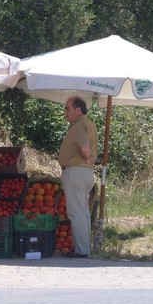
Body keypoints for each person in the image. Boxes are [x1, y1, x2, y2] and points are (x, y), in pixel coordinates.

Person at [58, 96, 98, 258]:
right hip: (85, 172)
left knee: (76, 213)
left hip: (76, 171)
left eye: (68, 108)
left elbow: (85, 149)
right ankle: (84, 249)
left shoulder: (79, 125)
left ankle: (82, 251)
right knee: (83, 212)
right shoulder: (88, 123)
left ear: (78, 110)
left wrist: (86, 158)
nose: (65, 112)